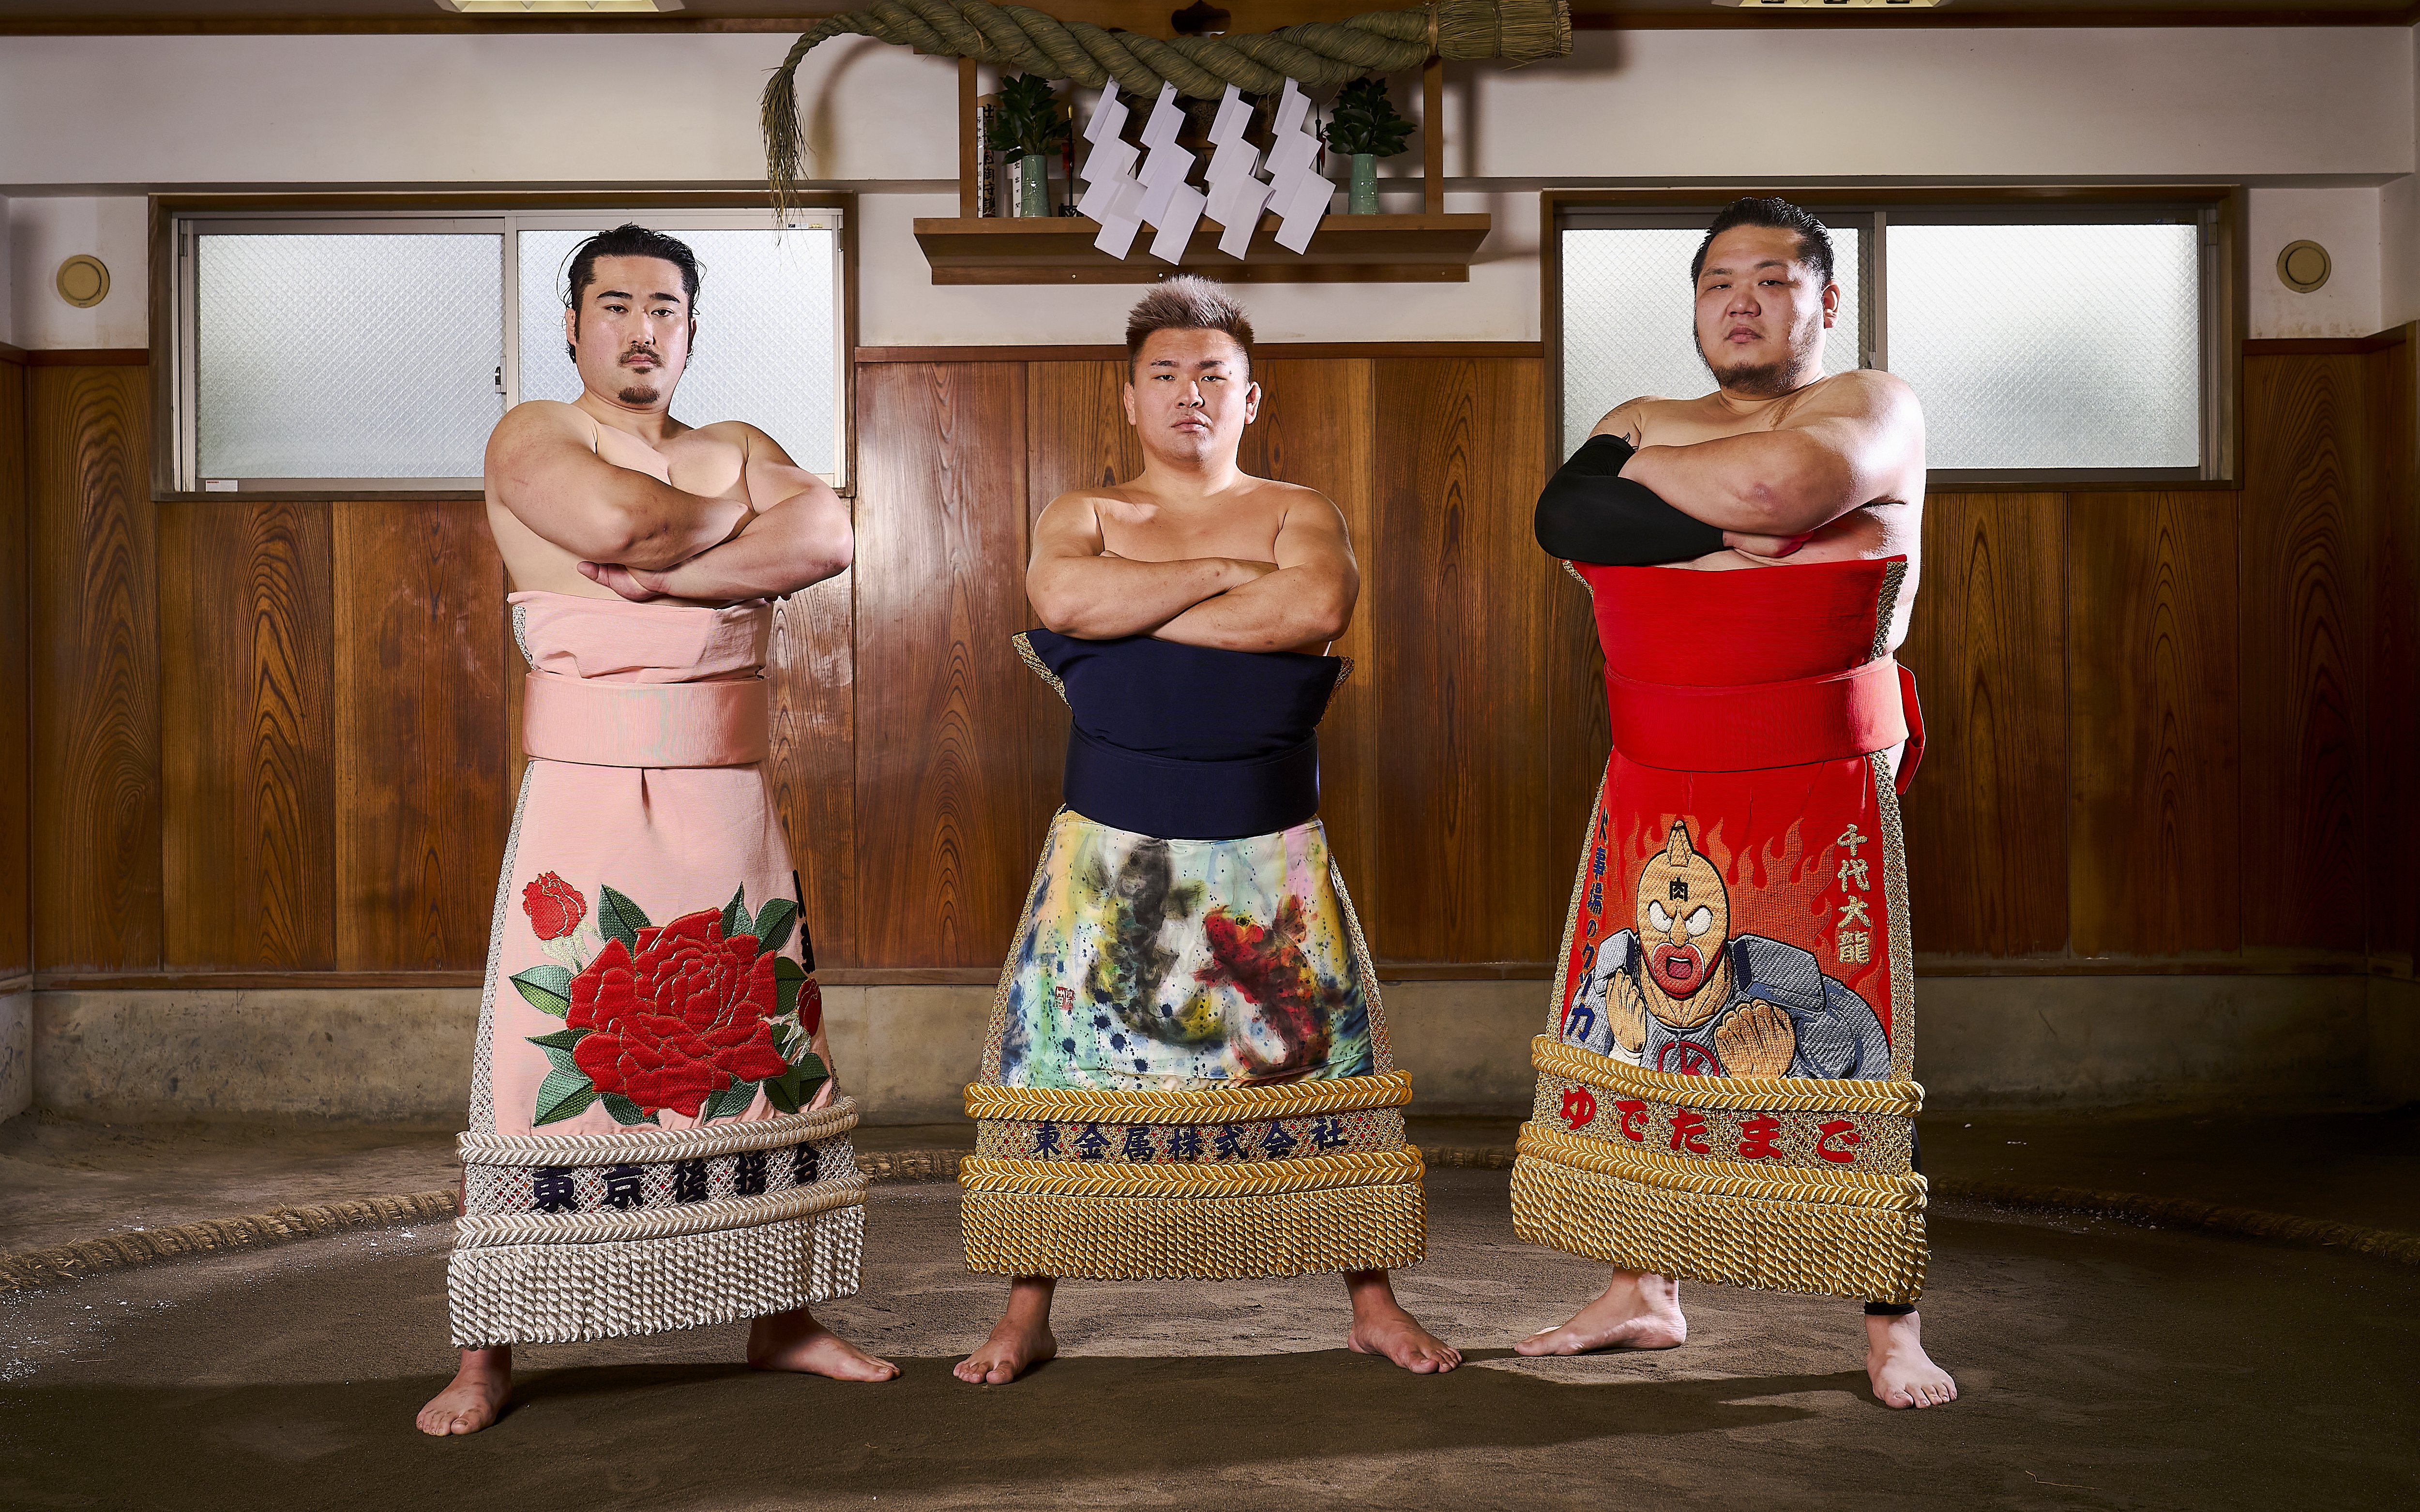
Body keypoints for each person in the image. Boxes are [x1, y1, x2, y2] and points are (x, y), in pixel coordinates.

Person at [418, 224, 895, 1436]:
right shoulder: (532, 432)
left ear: (691, 329)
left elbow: (828, 536)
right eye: (617, 304)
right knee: (542, 1054)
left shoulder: (733, 440)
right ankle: (485, 1352)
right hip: (586, 794)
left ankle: (782, 1318)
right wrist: (732, 524)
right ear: (573, 324)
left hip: (726, 792)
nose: (643, 329)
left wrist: (677, 571)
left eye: (666, 308)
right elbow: (622, 524)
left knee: (761, 1040)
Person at [953, 277, 1457, 1385]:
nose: (1190, 392)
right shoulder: (1084, 515)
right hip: (1109, 849)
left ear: (1250, 396)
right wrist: (1227, 578)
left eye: (1213, 375)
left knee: (1319, 1058)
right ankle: (1027, 1309)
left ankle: (1372, 1303)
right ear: (1129, 397)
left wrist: (1137, 610)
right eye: (1166, 374)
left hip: (1267, 841)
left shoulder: (1299, 511)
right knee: (1062, 1062)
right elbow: (1065, 606)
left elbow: (1312, 610)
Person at [1511, 197, 1956, 1410]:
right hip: (1657, 767)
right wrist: (1751, 525)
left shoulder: (1872, 403)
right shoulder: (1641, 409)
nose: (1740, 301)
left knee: (1851, 1029)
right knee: (1640, 1015)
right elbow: (1566, 518)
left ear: (1825, 300)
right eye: (1717, 282)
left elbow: (1782, 479)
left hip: (1816, 770)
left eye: (1770, 279)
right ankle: (1640, 1288)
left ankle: (1891, 1325)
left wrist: (1667, 499)